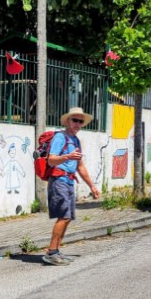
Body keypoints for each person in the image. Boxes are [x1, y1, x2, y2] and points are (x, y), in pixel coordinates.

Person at [42, 107, 101, 266]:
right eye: (74, 120)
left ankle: (56, 250)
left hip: (68, 182)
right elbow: (51, 160)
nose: (77, 124)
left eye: (80, 121)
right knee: (65, 217)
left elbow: (80, 166)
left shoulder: (75, 141)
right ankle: (52, 252)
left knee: (67, 218)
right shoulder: (60, 137)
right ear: (68, 121)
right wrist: (67, 156)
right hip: (59, 180)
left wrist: (92, 186)